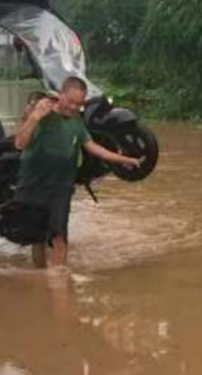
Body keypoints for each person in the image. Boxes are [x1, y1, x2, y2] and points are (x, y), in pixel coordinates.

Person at [13, 76, 140, 268]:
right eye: (71, 101)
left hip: (61, 187)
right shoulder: (41, 112)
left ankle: (58, 284)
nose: (74, 107)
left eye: (79, 104)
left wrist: (125, 159)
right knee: (37, 240)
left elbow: (93, 148)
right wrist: (34, 117)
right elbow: (19, 143)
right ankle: (40, 281)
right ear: (61, 94)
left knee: (60, 241)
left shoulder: (76, 122)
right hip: (32, 184)